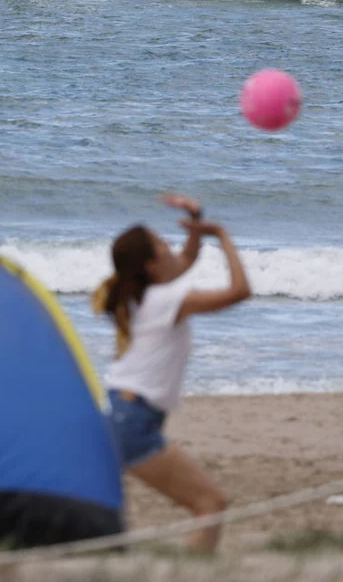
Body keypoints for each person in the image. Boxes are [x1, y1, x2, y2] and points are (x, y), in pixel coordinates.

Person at [92, 193, 250, 553]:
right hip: (133, 421)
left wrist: (196, 220)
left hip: (121, 412)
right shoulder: (165, 300)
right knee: (210, 503)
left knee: (105, 523)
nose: (170, 245)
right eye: (161, 242)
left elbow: (186, 260)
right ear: (150, 264)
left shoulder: (142, 295)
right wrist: (222, 235)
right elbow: (240, 292)